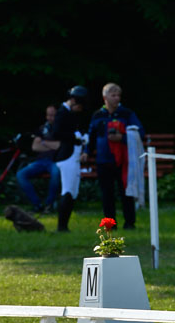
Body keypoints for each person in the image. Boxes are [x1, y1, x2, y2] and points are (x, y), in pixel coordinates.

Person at [83, 83, 145, 229]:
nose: (117, 98)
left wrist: (122, 137)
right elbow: (91, 136)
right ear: (105, 97)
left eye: (119, 95)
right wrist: (86, 152)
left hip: (124, 161)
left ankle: (130, 223)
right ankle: (110, 224)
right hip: (104, 160)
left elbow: (140, 133)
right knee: (107, 194)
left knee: (126, 192)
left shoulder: (127, 114)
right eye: (113, 95)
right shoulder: (98, 115)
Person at [51, 85, 89, 232]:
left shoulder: (70, 113)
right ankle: (62, 226)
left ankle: (64, 225)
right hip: (67, 155)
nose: (80, 109)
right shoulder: (62, 112)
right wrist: (74, 136)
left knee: (73, 191)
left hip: (74, 155)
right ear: (73, 100)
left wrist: (82, 135)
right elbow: (56, 134)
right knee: (67, 191)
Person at [15, 105, 61, 213]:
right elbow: (35, 147)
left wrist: (44, 143)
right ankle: (37, 205)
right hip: (40, 161)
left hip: (54, 161)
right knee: (21, 174)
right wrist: (51, 145)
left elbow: (60, 145)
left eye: (53, 115)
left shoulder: (60, 129)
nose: (50, 118)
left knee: (56, 173)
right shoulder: (41, 129)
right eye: (48, 115)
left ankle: (49, 205)